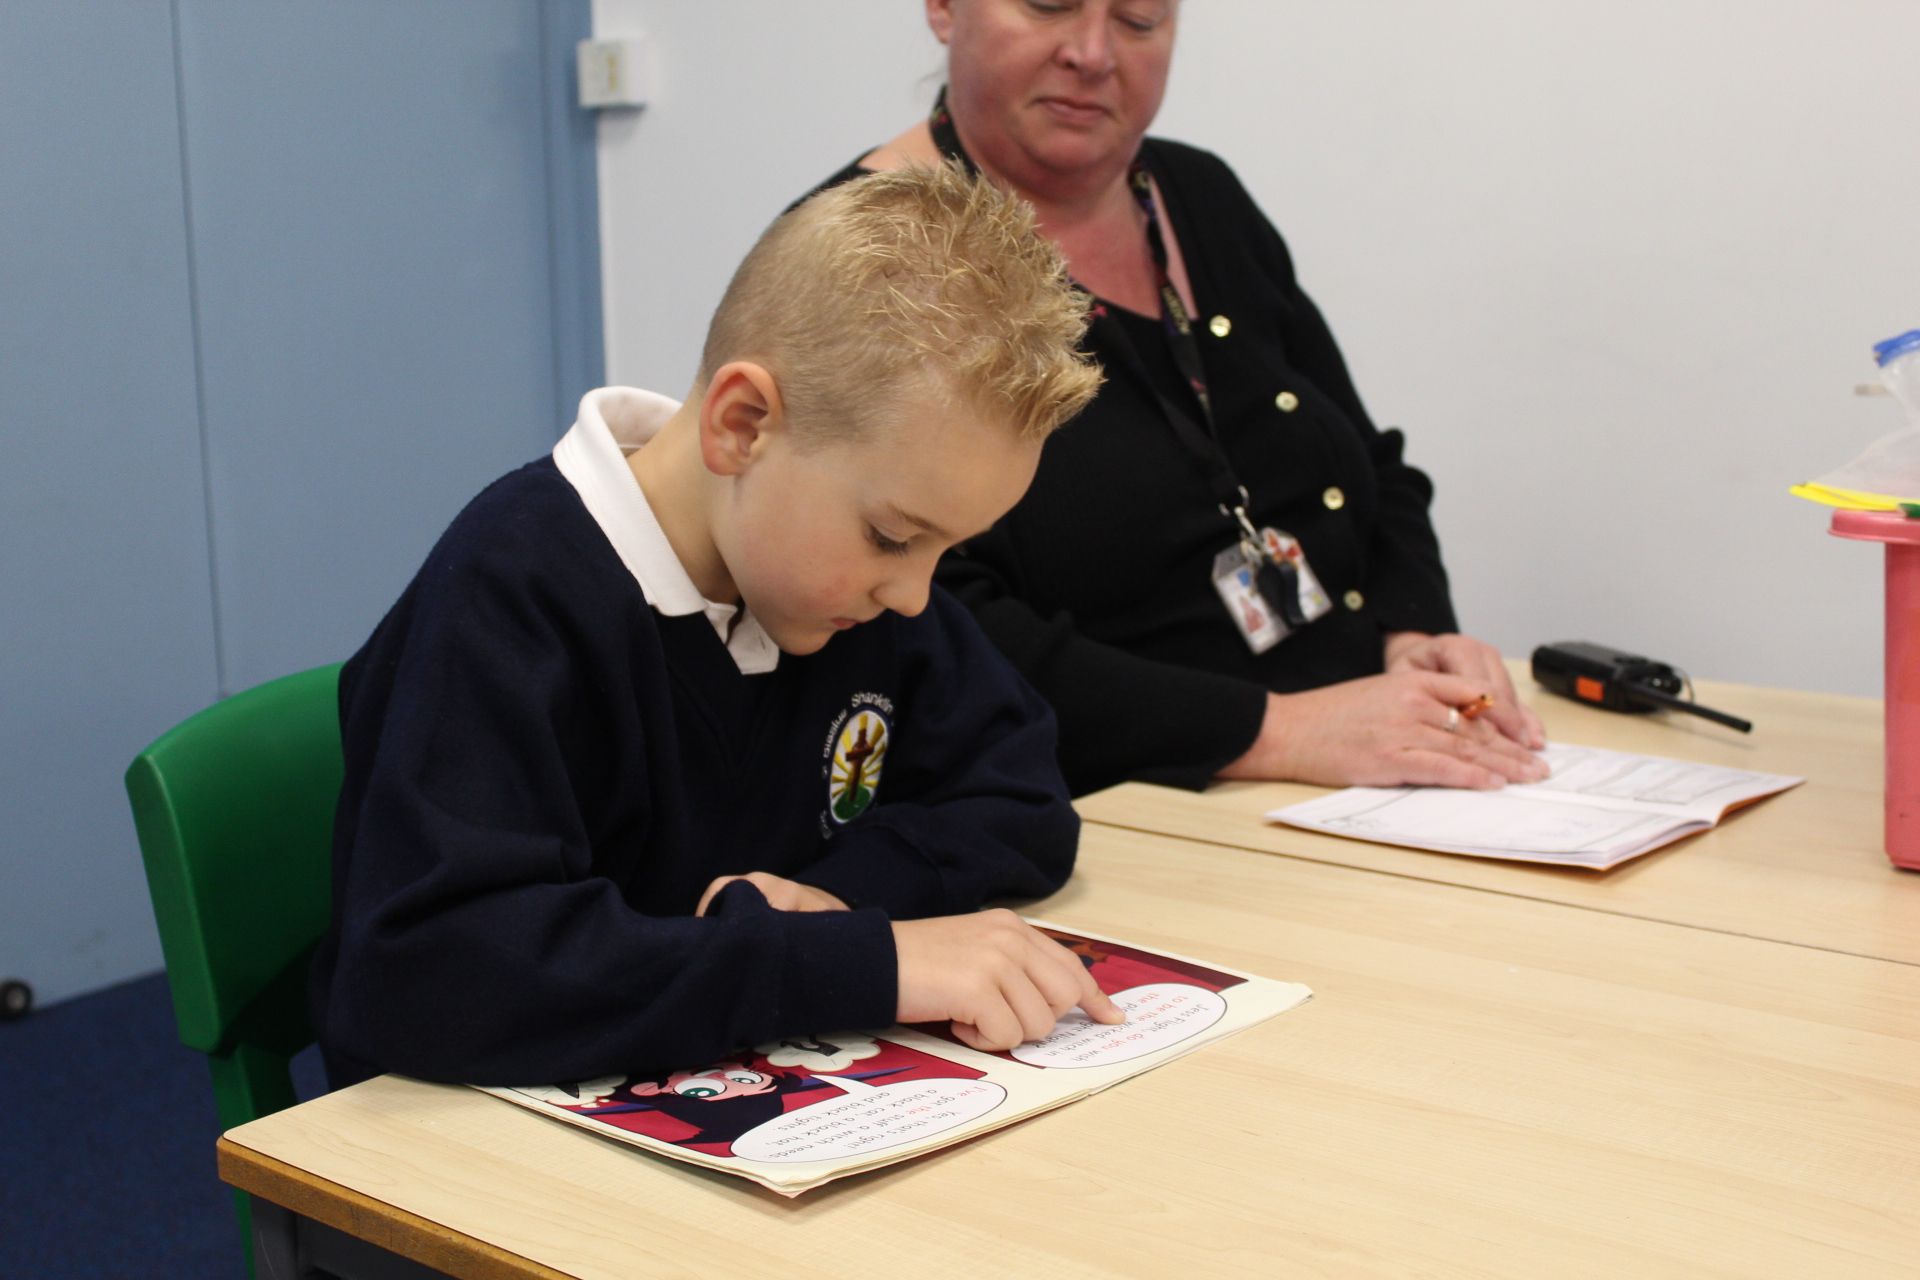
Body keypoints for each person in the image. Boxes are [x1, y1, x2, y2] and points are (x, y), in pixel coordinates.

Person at [309, 165, 1122, 1091]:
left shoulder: (842, 588)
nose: (913, 595)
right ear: (742, 426)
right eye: (895, 537)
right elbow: (434, 976)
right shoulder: (508, 595)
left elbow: (1021, 796)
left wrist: (840, 904)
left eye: (947, 549)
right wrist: (858, 964)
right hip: (475, 1154)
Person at [814, 0, 1549, 797]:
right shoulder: (868, 258)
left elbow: (1370, 467)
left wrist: (1417, 631)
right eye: (1050, 5)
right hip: (1107, 812)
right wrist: (1280, 731)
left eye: (1138, 19)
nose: (1093, 53)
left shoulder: (1197, 193)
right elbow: (922, 627)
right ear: (945, 9)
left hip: (1361, 767)